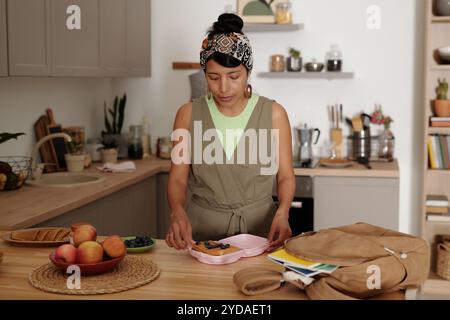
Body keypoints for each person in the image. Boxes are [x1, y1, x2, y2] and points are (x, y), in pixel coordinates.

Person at [165, 13, 295, 252]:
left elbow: (285, 176)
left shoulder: (274, 114)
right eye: (213, 78)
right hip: (202, 235)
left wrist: (283, 211)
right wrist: (177, 211)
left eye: (234, 77)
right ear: (205, 74)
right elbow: (177, 178)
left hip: (261, 234)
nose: (223, 88)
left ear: (247, 72)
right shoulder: (187, 115)